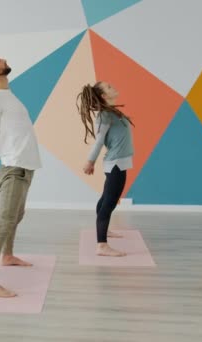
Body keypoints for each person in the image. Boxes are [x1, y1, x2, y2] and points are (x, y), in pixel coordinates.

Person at [0, 54, 42, 298]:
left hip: (25, 166)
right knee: (5, 222)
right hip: (13, 166)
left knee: (16, 215)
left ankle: (8, 255)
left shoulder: (8, 96)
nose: (2, 59)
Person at [77, 81, 135, 257]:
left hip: (120, 162)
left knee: (106, 199)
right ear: (103, 96)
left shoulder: (112, 112)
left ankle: (104, 232)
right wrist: (90, 161)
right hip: (115, 163)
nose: (113, 87)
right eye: (109, 87)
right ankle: (101, 245)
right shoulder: (104, 116)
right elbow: (99, 141)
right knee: (109, 202)